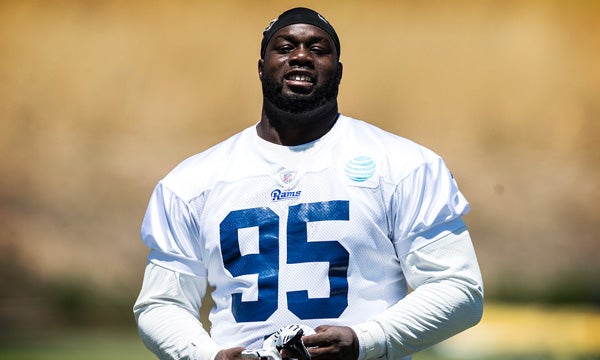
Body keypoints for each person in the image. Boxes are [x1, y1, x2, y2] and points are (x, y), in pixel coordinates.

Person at [133, 7, 484, 360]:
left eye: (317, 49)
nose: (301, 56)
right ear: (260, 67)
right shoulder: (194, 182)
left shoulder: (403, 165)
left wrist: (365, 341)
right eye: (286, 47)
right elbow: (161, 304)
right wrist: (207, 356)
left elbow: (458, 288)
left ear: (339, 72)